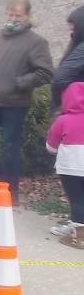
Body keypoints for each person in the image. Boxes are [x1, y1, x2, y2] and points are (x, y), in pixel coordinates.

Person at [0, 0, 53, 203]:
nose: (13, 18)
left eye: (18, 15)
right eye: (10, 14)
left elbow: (45, 72)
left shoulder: (35, 42)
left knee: (10, 147)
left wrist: (19, 82)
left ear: (27, 16)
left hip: (14, 103)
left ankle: (11, 192)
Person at [46, 82, 84, 249]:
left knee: (76, 201)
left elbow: (50, 147)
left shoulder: (63, 120)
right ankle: (75, 228)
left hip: (70, 166)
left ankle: (79, 237)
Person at [51, 5, 84, 109]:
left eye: (73, 28)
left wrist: (59, 103)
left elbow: (60, 78)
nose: (70, 31)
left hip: (75, 107)